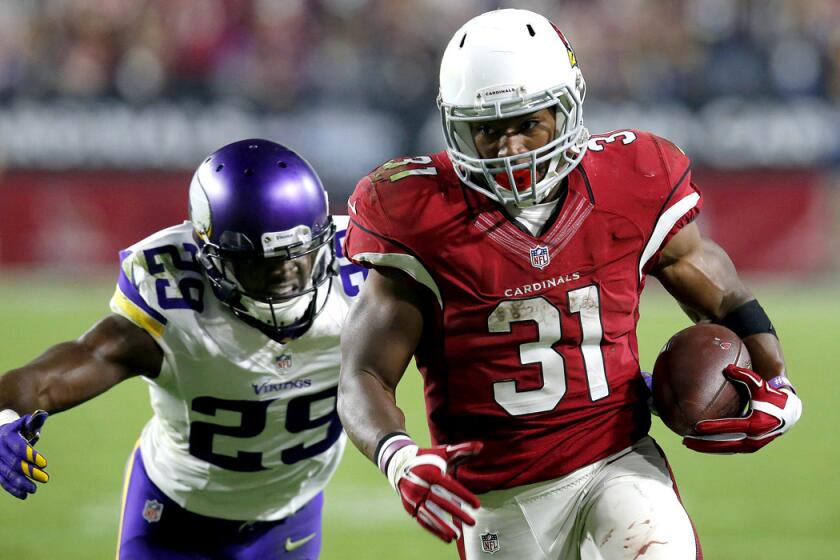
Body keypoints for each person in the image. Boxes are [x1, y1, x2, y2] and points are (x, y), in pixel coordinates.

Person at [337, 9, 802, 560]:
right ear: (455, 127)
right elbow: (363, 371)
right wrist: (398, 457)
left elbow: (720, 290)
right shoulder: (417, 214)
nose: (511, 151)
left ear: (566, 109)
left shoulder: (630, 180)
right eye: (488, 130)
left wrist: (778, 384)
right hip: (498, 495)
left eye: (528, 123)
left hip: (617, 459)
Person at [0, 138, 367, 559]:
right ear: (209, 256)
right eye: (258, 262)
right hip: (174, 512)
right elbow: (50, 378)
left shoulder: (365, 276)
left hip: (293, 511)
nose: (285, 273)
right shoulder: (173, 301)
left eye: (297, 253)